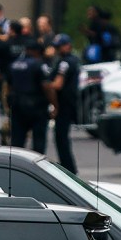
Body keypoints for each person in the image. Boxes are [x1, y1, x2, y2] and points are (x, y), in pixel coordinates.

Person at [8, 40, 55, 154]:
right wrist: (54, 103)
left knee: (17, 142)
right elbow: (46, 86)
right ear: (37, 52)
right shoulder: (39, 65)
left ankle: (15, 166)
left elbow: (8, 86)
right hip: (36, 106)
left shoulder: (14, 64)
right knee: (39, 141)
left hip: (17, 105)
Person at [49, 34, 80, 174]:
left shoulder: (65, 62)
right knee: (61, 138)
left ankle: (69, 170)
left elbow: (57, 84)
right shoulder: (66, 60)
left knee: (61, 138)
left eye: (60, 46)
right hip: (66, 103)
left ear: (68, 45)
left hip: (64, 104)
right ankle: (68, 168)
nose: (58, 49)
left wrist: (46, 86)